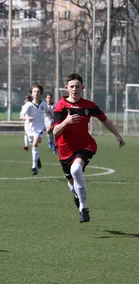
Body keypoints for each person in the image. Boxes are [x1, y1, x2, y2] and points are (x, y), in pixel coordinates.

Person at [52, 73, 125, 223]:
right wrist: (66, 121)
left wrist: (117, 135)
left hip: (85, 145)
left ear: (82, 88)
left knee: (76, 170)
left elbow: (104, 120)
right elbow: (55, 131)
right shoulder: (60, 106)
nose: (74, 89)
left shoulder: (89, 105)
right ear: (66, 88)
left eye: (77, 87)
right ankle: (77, 195)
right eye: (71, 87)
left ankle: (83, 209)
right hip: (65, 150)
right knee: (72, 183)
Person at [20, 84, 49, 175]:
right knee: (33, 146)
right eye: (34, 92)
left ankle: (34, 167)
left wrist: (52, 120)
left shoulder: (43, 104)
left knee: (35, 144)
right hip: (30, 129)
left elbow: (49, 112)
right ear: (32, 94)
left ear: (41, 94)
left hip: (40, 128)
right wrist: (27, 118)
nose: (36, 93)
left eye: (38, 92)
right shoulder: (28, 105)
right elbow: (21, 116)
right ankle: (37, 158)